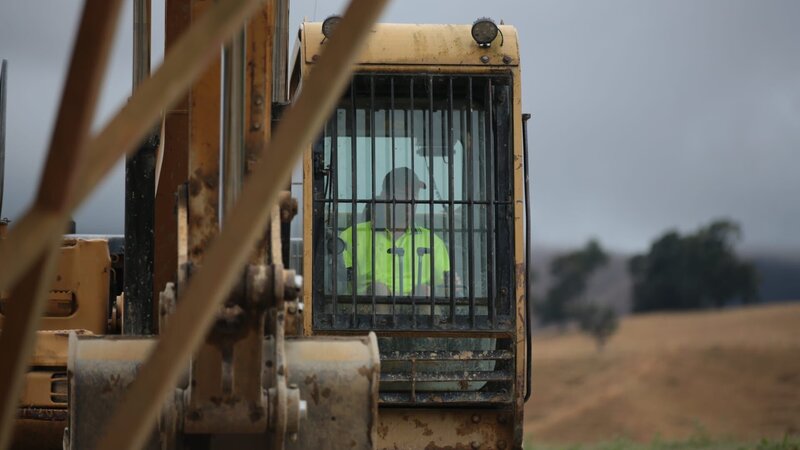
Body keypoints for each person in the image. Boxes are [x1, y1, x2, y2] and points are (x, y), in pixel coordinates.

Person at [339, 167, 450, 296]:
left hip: (419, 311)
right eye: (404, 194)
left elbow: (445, 285)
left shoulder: (433, 242)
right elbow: (338, 282)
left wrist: (449, 284)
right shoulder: (353, 236)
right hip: (365, 310)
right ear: (385, 197)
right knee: (378, 290)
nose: (411, 200)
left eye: (414, 195)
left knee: (422, 291)